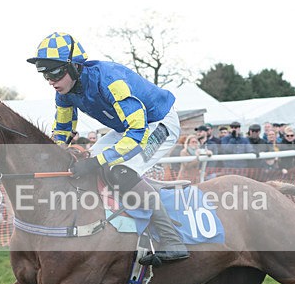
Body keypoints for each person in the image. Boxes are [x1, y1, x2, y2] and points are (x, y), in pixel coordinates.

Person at [27, 31, 188, 265]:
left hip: (158, 124)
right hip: (128, 127)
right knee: (92, 160)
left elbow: (137, 133)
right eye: (44, 74)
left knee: (119, 168)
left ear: (74, 67)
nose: (51, 80)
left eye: (55, 72)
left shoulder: (110, 81)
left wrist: (98, 162)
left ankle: (172, 240)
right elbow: (62, 131)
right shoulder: (63, 94)